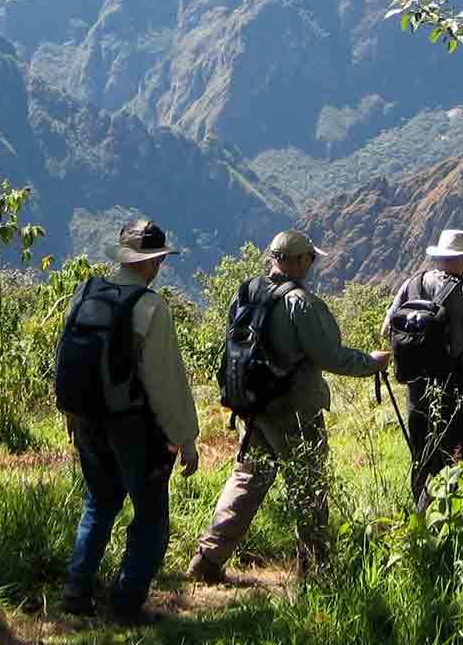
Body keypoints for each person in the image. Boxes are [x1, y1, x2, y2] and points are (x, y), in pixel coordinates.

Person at [187, 230, 389, 583]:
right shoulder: (301, 303)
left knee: (248, 478)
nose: (312, 264)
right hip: (295, 411)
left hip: (254, 406)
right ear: (298, 261)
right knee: (309, 485)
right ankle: (315, 571)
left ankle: (208, 558)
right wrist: (371, 363)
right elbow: (330, 355)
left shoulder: (248, 292)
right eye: (310, 258)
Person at [61, 219, 200, 624]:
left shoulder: (84, 293)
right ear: (155, 261)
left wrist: (72, 411)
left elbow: (67, 357)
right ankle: (125, 602)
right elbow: (166, 382)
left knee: (100, 502)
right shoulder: (151, 308)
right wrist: (186, 439)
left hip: (88, 417)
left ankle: (77, 588)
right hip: (133, 426)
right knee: (151, 515)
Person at [384, 228, 463, 511]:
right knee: (454, 448)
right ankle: (450, 513)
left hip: (416, 384)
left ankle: (420, 511)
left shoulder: (411, 284)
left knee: (420, 448)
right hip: (454, 381)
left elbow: (387, 327)